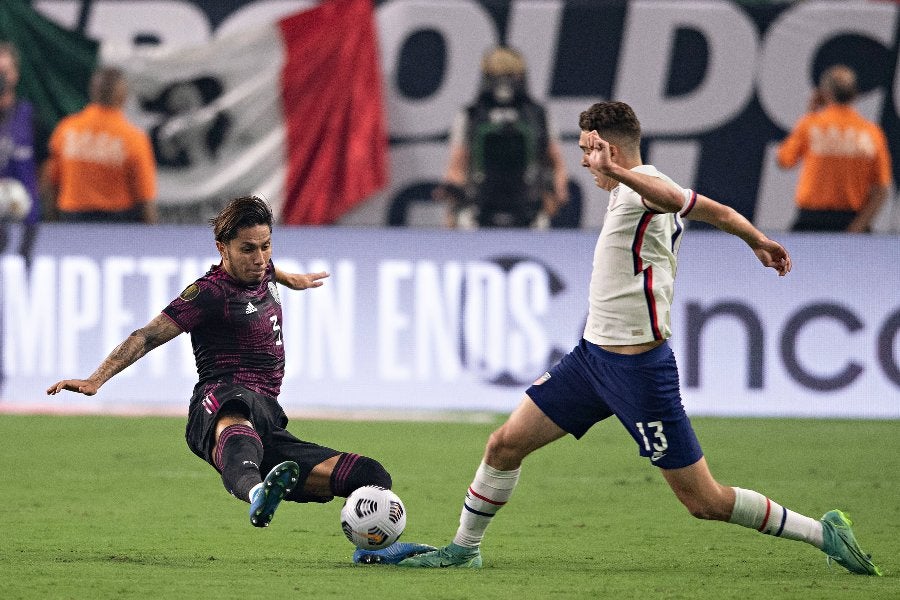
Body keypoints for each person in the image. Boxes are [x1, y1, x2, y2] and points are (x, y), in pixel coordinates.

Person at [360, 101, 881, 575]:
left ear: (609, 146)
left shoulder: (644, 187)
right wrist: (758, 241)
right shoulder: (630, 188)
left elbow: (672, 199)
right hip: (589, 361)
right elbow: (715, 211)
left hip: (639, 373)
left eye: (589, 150)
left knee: (704, 501)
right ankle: (465, 549)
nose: (585, 162)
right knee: (504, 444)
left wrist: (620, 173)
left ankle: (822, 530)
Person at [46, 195, 432, 560]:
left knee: (370, 475)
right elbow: (146, 335)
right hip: (217, 400)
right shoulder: (208, 294)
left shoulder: (263, 271)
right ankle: (258, 494)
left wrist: (289, 278)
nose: (260, 258)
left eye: (266, 246)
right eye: (248, 249)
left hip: (267, 417)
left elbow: (266, 271)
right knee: (238, 407)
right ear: (222, 248)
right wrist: (96, 379)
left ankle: (372, 548)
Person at [433, 46, 569, 229]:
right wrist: (452, 205)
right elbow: (458, 165)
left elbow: (555, 162)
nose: (504, 82)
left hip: (531, 212)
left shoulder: (538, 115)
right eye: (498, 73)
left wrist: (556, 192)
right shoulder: (471, 115)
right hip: (477, 213)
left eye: (509, 73)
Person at [777, 64, 892, 233]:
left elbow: (784, 161)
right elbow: (881, 190)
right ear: (854, 94)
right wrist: (858, 227)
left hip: (811, 222)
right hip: (852, 221)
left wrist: (810, 114)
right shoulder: (871, 133)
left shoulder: (811, 125)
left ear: (824, 94)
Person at [42, 66, 158, 224]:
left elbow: (51, 184)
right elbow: (144, 198)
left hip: (72, 223)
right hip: (118, 226)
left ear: (93, 92)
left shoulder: (66, 130)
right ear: (123, 96)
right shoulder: (132, 138)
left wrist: (52, 225)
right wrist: (153, 237)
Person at [0, 40, 40, 259]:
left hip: (27, 223)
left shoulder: (31, 116)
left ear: (15, 75)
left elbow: (46, 165)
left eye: (4, 72)